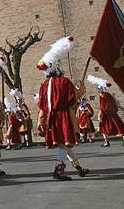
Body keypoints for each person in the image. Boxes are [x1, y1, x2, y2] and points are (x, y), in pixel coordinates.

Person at [37, 36, 89, 181]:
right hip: (64, 116)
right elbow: (72, 99)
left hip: (50, 118)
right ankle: (58, 170)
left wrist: (40, 123)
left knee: (66, 144)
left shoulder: (44, 85)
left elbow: (42, 105)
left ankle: (79, 168)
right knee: (64, 144)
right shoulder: (64, 82)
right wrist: (81, 90)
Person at [87, 75, 124, 147]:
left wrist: (100, 114)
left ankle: (108, 142)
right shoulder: (107, 95)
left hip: (107, 115)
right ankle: (123, 140)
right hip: (112, 114)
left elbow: (103, 107)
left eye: (99, 89)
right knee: (117, 127)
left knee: (105, 128)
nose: (98, 91)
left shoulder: (104, 96)